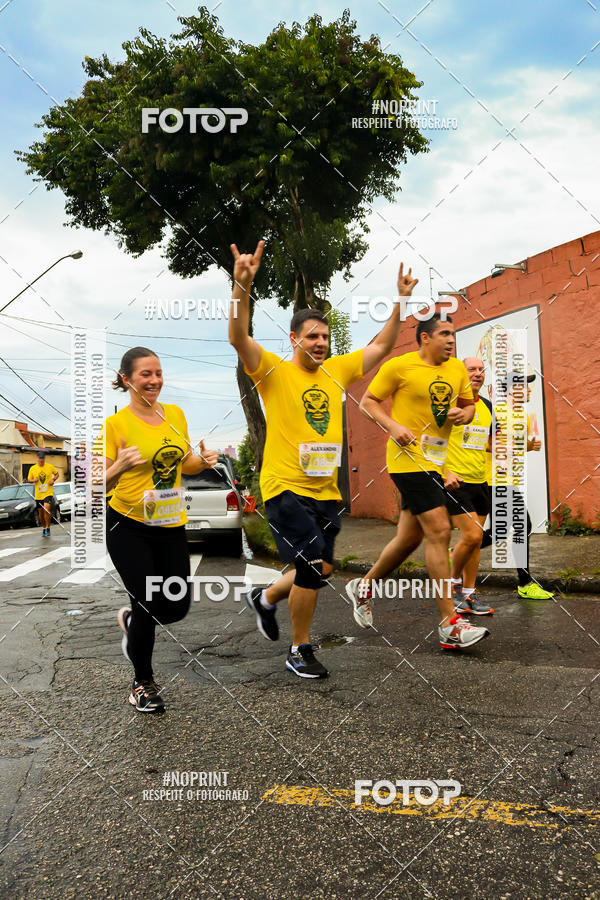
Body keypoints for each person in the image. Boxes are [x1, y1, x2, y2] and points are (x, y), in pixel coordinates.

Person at [229, 239, 419, 678]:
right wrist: (242, 288)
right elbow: (239, 337)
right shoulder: (273, 370)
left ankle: (266, 598)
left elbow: (382, 346)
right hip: (284, 487)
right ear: (294, 338)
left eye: (326, 337)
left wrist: (401, 302)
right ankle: (300, 648)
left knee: (323, 565)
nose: (320, 343)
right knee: (312, 565)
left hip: (325, 492)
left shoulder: (338, 370)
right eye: (312, 336)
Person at [346, 314, 490, 650]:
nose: (451, 340)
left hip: (436, 462)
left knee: (409, 538)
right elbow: (368, 402)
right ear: (424, 338)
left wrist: (463, 415)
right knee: (440, 531)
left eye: (453, 334)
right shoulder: (400, 366)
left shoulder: (456, 370)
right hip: (407, 459)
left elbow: (469, 406)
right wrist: (392, 426)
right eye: (444, 333)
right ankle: (449, 624)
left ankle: (364, 586)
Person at [100, 346, 218, 713]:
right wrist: (118, 466)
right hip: (128, 524)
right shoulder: (115, 425)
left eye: (158, 373)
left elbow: (186, 465)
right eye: (145, 375)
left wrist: (204, 461)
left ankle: (132, 621)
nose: (154, 381)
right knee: (148, 602)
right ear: (126, 379)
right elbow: (94, 487)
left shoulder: (176, 415)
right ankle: (142, 683)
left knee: (176, 604)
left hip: (169, 523)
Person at [479, 370, 553, 600]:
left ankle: (458, 551)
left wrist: (530, 445)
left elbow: (517, 446)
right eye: (524, 385)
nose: (528, 389)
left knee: (500, 532)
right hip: (493, 480)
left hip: (507, 480)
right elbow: (485, 443)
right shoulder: (497, 411)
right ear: (512, 389)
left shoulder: (524, 415)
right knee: (523, 525)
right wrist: (520, 448)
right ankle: (525, 583)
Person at [443, 358, 494, 615]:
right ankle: (451, 585)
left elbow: (487, 444)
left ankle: (469, 594)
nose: (478, 374)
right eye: (472, 369)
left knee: (474, 542)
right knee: (473, 535)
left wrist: (521, 445)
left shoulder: (486, 406)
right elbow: (429, 439)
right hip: (456, 480)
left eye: (481, 370)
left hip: (480, 480)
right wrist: (444, 471)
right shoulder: (450, 403)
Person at [28, 450, 58, 537]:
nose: (41, 461)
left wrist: (53, 480)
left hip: (48, 492)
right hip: (38, 494)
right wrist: (34, 480)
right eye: (39, 459)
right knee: (40, 513)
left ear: (44, 459)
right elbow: (29, 479)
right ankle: (44, 527)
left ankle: (48, 527)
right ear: (36, 459)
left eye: (42, 460)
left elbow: (56, 474)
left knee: (46, 508)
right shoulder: (32, 468)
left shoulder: (49, 466)